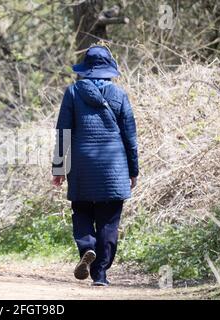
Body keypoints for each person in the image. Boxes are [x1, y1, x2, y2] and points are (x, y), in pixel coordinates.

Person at [52, 45, 138, 286]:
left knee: (81, 212)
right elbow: (130, 138)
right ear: (109, 69)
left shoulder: (72, 93)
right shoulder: (120, 95)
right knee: (109, 222)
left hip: (81, 166)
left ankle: (87, 249)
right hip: (114, 166)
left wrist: (58, 168)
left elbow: (63, 133)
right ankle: (100, 273)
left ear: (85, 69)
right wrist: (133, 170)